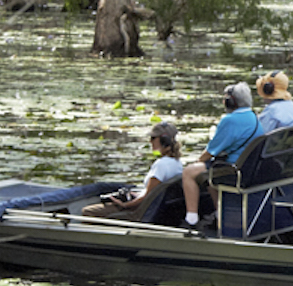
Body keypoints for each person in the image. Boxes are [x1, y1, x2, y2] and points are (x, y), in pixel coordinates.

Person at [182, 81, 263, 229]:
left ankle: (191, 219)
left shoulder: (229, 120)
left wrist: (197, 162)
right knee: (210, 176)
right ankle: (220, 215)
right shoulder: (253, 116)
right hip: (250, 167)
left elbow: (210, 151)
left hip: (234, 170)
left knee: (189, 172)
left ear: (231, 102)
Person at [83, 121, 184, 219]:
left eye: (153, 138)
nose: (150, 141)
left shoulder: (161, 165)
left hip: (138, 212)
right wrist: (134, 195)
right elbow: (152, 194)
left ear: (164, 140)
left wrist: (124, 205)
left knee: (87, 211)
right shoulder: (178, 163)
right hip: (155, 211)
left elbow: (146, 197)